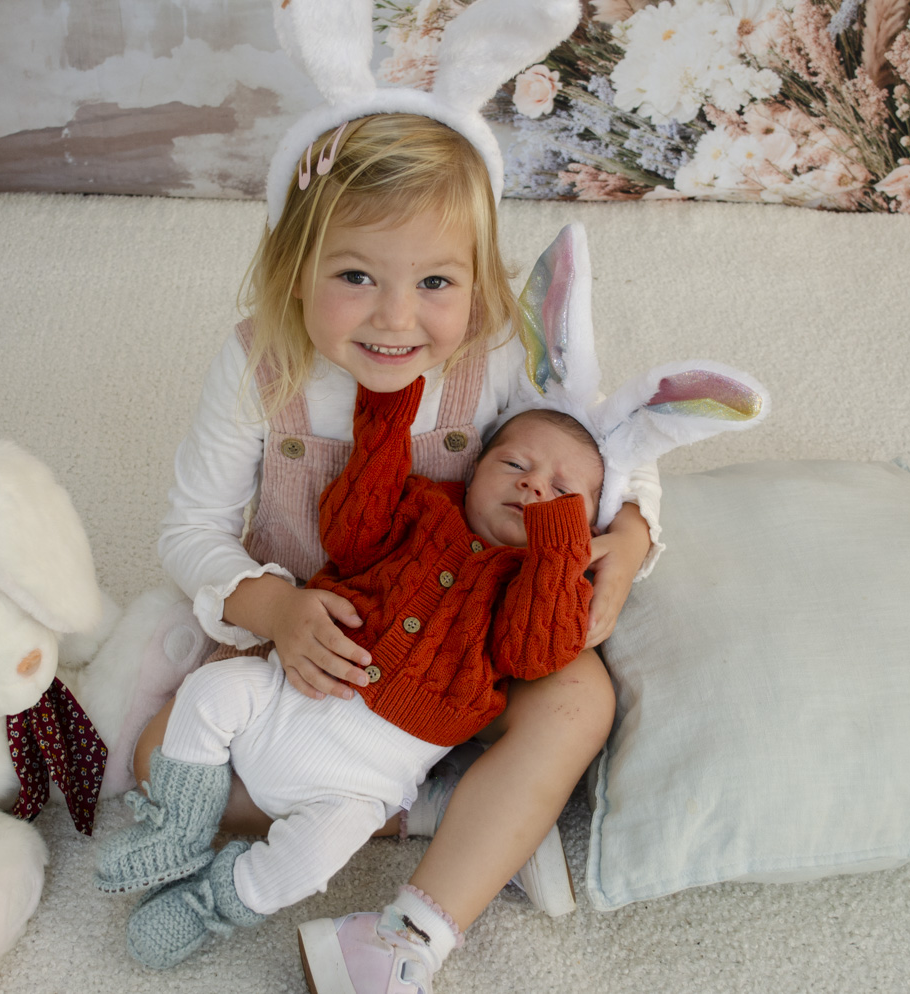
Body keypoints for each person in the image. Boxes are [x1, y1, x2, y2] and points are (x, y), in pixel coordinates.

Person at [120, 111, 661, 993]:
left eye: (438, 282)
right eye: (356, 275)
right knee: (158, 756)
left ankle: (411, 929)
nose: (396, 318)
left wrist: (629, 537)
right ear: (294, 272)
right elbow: (190, 530)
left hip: (470, 644)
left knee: (580, 696)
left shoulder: (489, 354)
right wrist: (275, 611)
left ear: (481, 287)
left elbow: (606, 445)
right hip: (317, 641)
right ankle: (454, 814)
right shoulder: (262, 364)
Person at [98, 382, 605, 970]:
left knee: (310, 859)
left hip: (361, 788)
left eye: (562, 495)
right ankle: (176, 832)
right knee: (208, 695)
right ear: (473, 471)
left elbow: (534, 654)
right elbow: (350, 531)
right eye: (514, 464)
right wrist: (385, 425)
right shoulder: (422, 509)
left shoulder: (533, 589)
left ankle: (209, 902)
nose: (533, 484)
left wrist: (558, 553)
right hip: (285, 694)